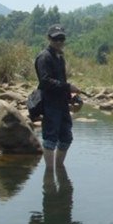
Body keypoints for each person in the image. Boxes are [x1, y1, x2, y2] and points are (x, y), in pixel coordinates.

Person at [34, 24, 81, 167]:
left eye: (61, 39)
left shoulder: (60, 58)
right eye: (56, 39)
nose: (59, 42)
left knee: (66, 138)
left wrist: (72, 97)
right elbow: (45, 81)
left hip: (62, 104)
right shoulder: (44, 57)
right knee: (50, 139)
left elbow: (62, 81)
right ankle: (49, 172)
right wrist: (68, 87)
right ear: (49, 38)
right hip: (49, 103)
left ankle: (59, 167)